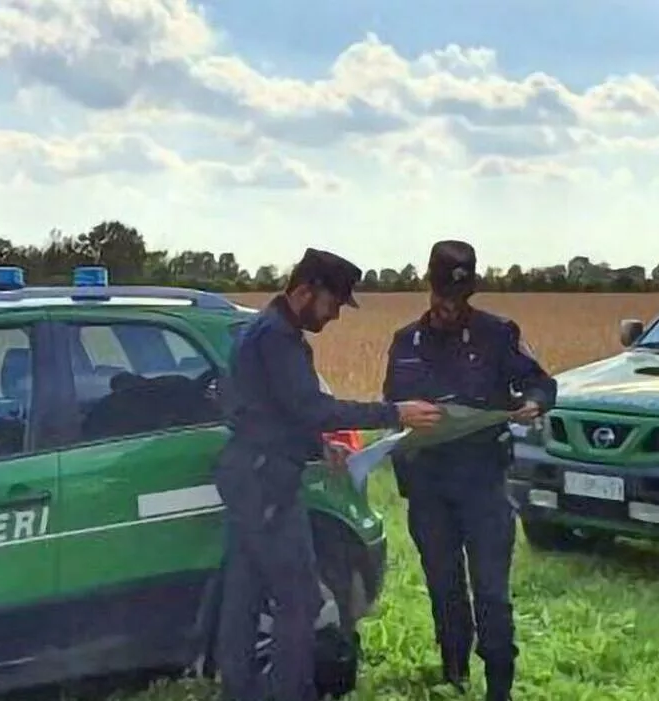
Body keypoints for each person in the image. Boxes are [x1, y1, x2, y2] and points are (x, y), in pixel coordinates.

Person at [214, 247, 444, 701]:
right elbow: (311, 406)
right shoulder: (278, 338)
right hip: (267, 482)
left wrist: (318, 446)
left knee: (244, 592)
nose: (336, 314)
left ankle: (239, 691)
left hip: (247, 472)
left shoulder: (255, 330)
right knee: (300, 600)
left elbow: (266, 409)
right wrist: (394, 412)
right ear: (305, 291)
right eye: (334, 302)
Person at [381, 240, 557, 701]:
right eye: (442, 297)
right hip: (428, 484)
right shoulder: (405, 343)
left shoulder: (498, 334)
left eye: (458, 299)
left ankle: (499, 685)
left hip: (482, 481)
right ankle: (454, 672)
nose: (449, 308)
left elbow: (540, 381)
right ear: (429, 287)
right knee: (443, 585)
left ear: (470, 292)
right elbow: (389, 406)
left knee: (491, 591)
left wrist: (533, 404)